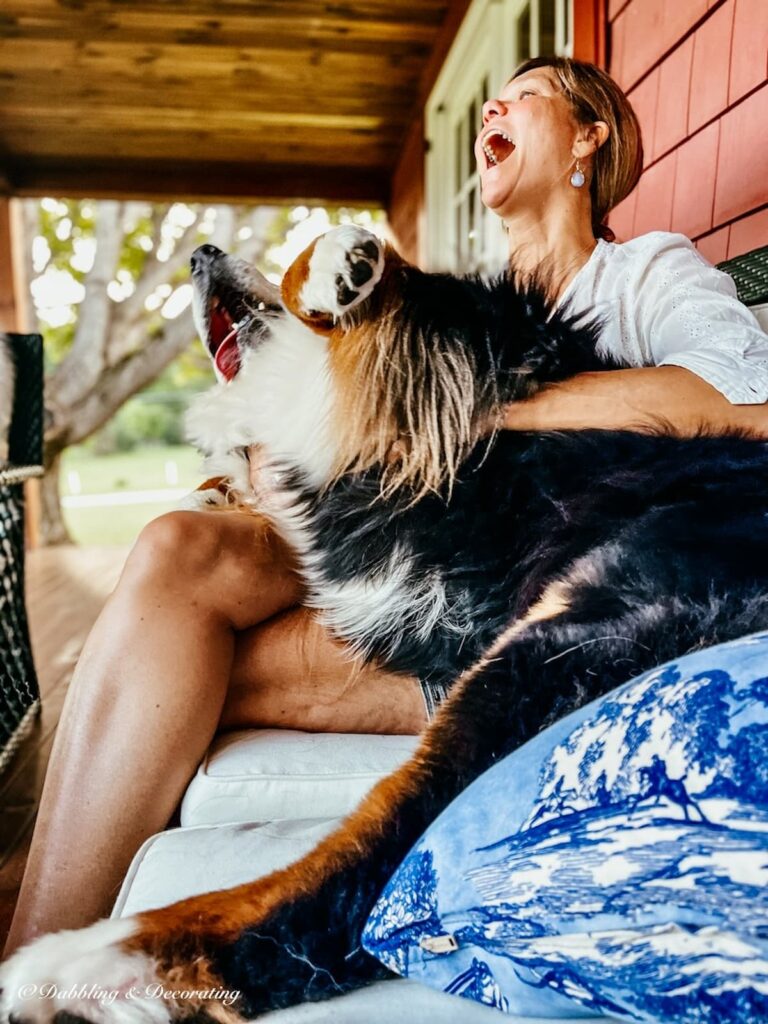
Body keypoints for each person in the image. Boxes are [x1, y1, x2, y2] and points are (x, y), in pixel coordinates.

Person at [4, 55, 767, 958]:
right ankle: (37, 951)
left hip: (517, 608)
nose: (497, 104)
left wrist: (485, 407)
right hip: (394, 556)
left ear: (587, 139)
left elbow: (742, 404)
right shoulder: (448, 299)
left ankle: (49, 957)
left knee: (152, 665)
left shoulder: (642, 275)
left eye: (524, 96)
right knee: (177, 549)